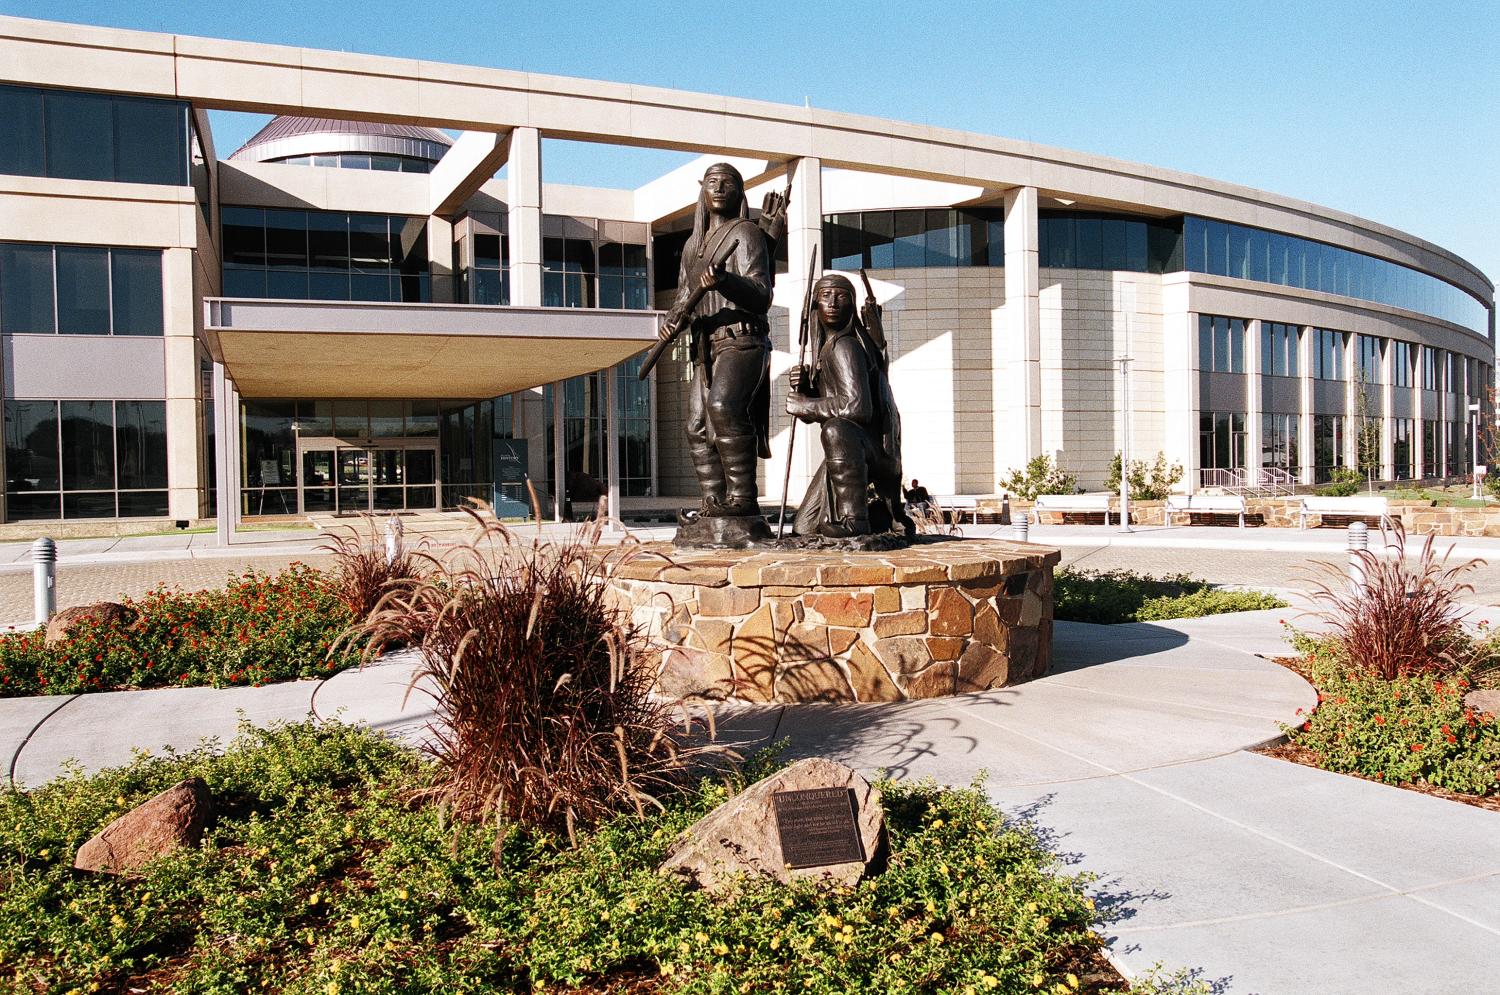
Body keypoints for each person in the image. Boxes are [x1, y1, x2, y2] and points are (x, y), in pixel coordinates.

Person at [658, 163, 775, 518]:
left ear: (740, 192)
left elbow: (761, 294)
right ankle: (713, 501)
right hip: (706, 348)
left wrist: (726, 281)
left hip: (742, 340)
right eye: (712, 182)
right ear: (703, 191)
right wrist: (673, 320)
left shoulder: (746, 234)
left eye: (728, 182)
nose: (719, 188)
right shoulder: (692, 246)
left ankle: (742, 498)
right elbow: (684, 295)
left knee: (724, 408)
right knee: (696, 426)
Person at [786, 274, 912, 538]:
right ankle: (877, 516)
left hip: (868, 450)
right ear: (815, 305)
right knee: (804, 528)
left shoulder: (845, 346)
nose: (832, 303)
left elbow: (857, 407)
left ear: (851, 305)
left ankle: (856, 520)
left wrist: (806, 405)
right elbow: (833, 401)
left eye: (841, 296)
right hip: (851, 449)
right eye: (825, 296)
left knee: (834, 429)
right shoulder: (828, 349)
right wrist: (807, 389)